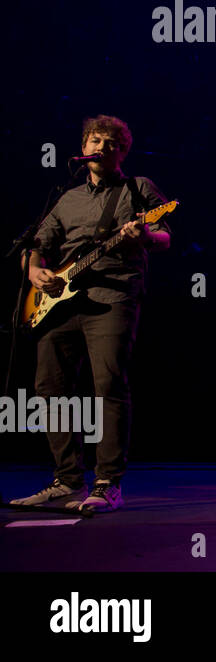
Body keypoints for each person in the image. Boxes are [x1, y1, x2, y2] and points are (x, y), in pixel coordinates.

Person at [13, 116, 171, 513]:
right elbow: (36, 244)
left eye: (110, 141)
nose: (101, 145)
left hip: (113, 296)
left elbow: (165, 234)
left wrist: (146, 235)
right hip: (60, 303)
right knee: (49, 391)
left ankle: (106, 483)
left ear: (122, 151)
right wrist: (35, 272)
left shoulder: (138, 189)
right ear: (83, 145)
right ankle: (65, 480)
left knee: (108, 387)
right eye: (94, 139)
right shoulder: (66, 198)